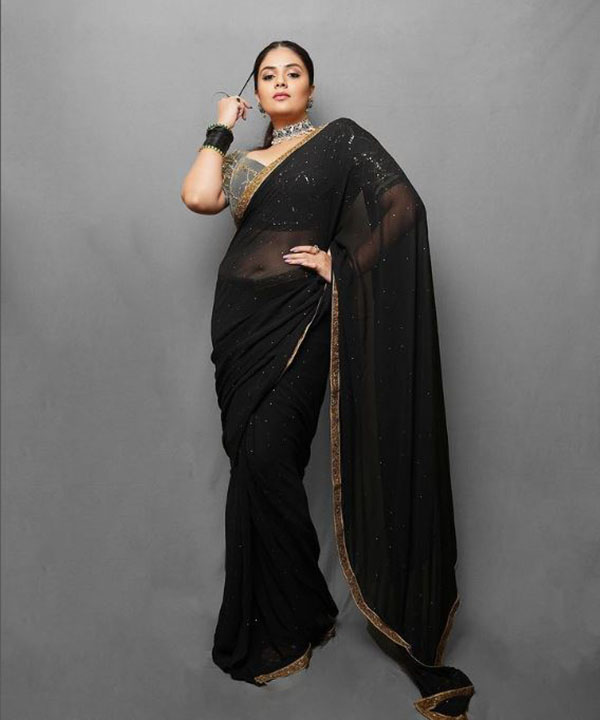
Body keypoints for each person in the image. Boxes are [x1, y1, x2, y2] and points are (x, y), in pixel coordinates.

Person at [181, 40, 476, 720]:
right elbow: (197, 195)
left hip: (301, 320)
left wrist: (343, 262)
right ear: (257, 93)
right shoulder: (241, 163)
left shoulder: (341, 141)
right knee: (254, 466)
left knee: (268, 457)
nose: (281, 82)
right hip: (238, 327)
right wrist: (220, 125)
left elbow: (403, 208)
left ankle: (302, 609)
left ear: (311, 90)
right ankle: (301, 611)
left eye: (294, 74)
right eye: (268, 76)